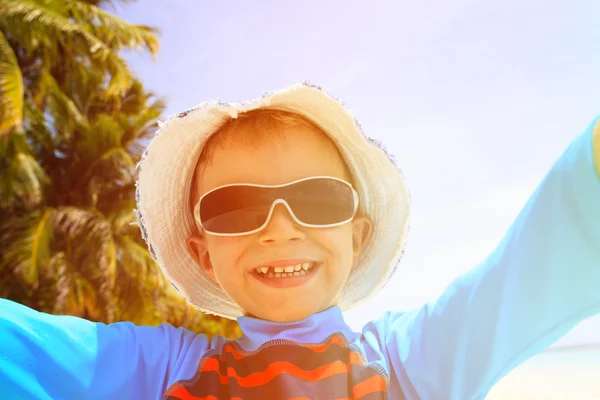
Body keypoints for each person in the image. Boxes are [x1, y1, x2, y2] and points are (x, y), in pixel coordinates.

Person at [1, 83, 599, 400]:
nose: (279, 228)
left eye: (317, 200)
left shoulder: (407, 363)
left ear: (357, 236)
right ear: (203, 251)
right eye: (236, 207)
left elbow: (535, 264)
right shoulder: (163, 371)